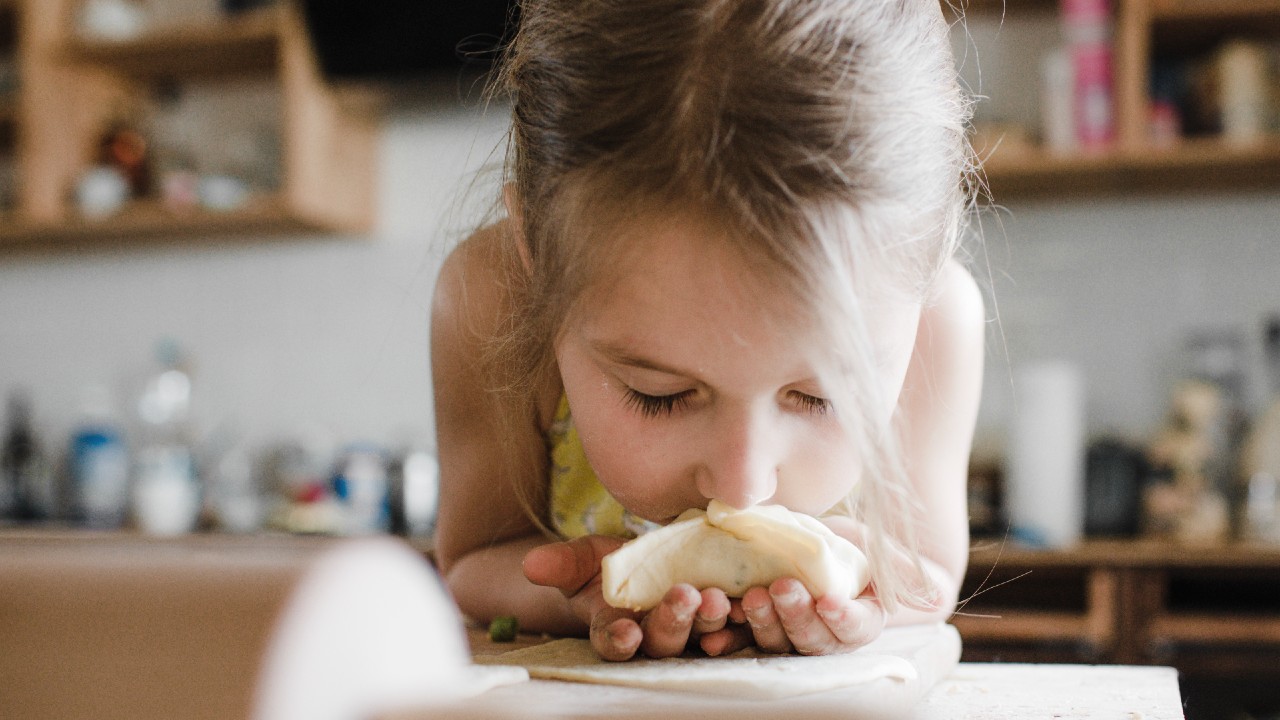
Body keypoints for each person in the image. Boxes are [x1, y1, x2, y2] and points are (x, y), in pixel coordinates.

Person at [431, 0, 985, 662]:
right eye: (657, 394)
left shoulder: (935, 318)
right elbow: (474, 562)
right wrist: (578, 598)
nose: (741, 485)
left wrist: (864, 595)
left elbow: (929, 575)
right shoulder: (491, 297)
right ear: (535, 254)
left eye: (821, 396)